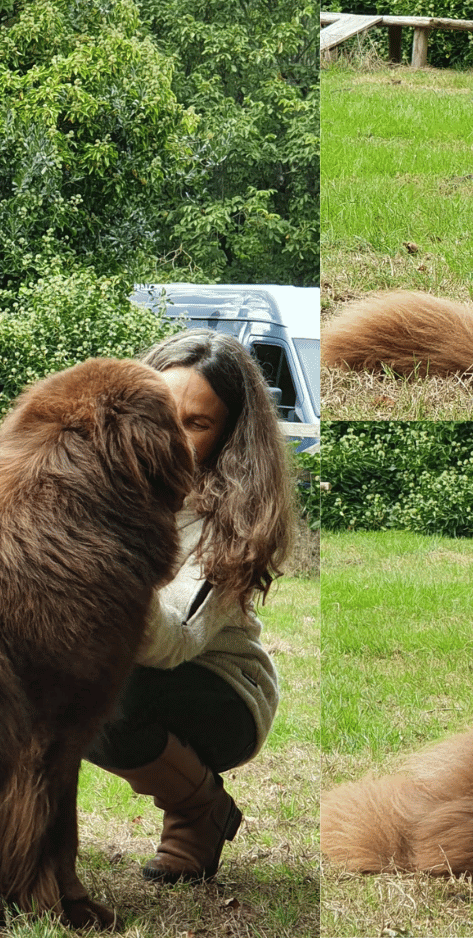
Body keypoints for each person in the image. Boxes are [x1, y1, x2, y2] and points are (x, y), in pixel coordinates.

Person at [86, 329, 299, 881]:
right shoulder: (95, 481)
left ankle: (199, 810)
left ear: (229, 437)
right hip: (127, 664)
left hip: (222, 692)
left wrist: (103, 572)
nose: (170, 439)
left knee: (102, 695)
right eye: (160, 414)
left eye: (197, 424)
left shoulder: (229, 521)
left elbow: (174, 640)